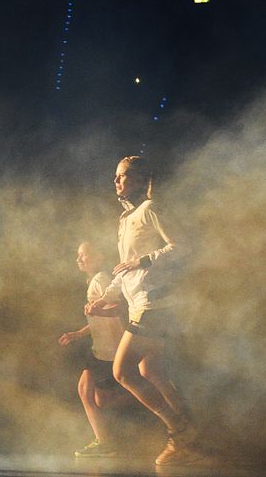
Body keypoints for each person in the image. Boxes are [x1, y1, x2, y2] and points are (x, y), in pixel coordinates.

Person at [85, 156, 202, 466]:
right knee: (151, 371)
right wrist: (107, 297)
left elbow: (184, 245)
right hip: (141, 304)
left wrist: (144, 261)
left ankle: (180, 433)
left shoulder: (150, 209)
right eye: (116, 177)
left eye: (122, 176)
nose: (116, 182)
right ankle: (192, 435)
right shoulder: (126, 219)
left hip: (156, 305)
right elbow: (125, 271)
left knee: (121, 372)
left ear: (138, 180)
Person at [59, 241, 129, 458]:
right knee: (96, 397)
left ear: (98, 257)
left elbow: (119, 309)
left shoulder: (101, 280)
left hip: (109, 350)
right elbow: (99, 318)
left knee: (91, 394)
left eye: (85, 255)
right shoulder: (95, 281)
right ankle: (105, 441)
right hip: (99, 350)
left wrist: (100, 313)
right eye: (78, 255)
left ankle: (105, 442)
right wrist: (79, 334)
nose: (79, 259)